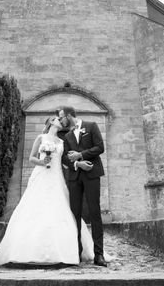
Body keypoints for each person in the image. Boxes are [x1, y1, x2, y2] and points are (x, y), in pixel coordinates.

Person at [0, 116, 94, 265]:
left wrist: (78, 163)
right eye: (57, 119)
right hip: (41, 174)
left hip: (56, 177)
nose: (60, 121)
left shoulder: (62, 142)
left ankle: (64, 252)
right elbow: (31, 158)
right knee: (35, 207)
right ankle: (26, 252)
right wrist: (41, 161)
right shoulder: (41, 137)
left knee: (60, 208)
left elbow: (65, 161)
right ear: (51, 122)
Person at [59, 106, 108, 267]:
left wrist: (81, 155)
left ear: (68, 115)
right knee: (75, 215)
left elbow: (100, 147)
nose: (60, 121)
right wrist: (78, 163)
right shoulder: (66, 136)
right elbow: (65, 158)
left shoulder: (91, 126)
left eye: (61, 117)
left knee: (95, 213)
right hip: (74, 178)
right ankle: (76, 252)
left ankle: (99, 254)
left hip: (92, 174)